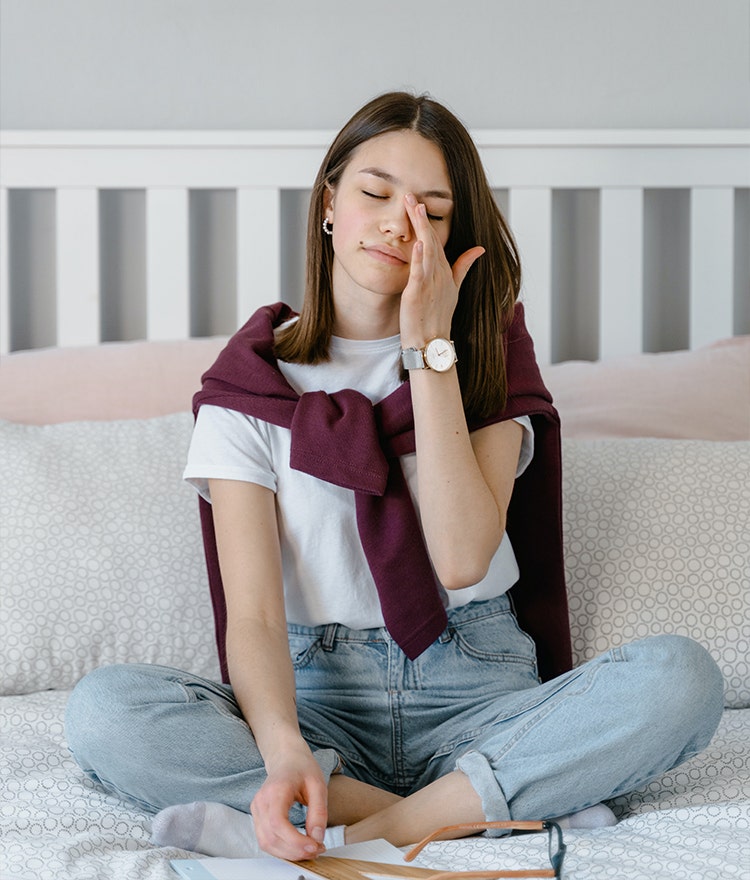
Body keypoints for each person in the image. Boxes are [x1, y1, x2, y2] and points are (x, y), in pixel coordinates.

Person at [65, 91, 723, 864]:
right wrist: (284, 756)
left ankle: (374, 832)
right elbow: (253, 620)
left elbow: (460, 558)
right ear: (329, 206)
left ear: (455, 237)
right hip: (318, 705)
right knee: (106, 711)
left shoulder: (484, 362)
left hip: (478, 694)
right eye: (376, 193)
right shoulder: (251, 385)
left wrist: (428, 349)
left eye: (434, 213)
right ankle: (491, 803)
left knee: (682, 678)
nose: (399, 224)